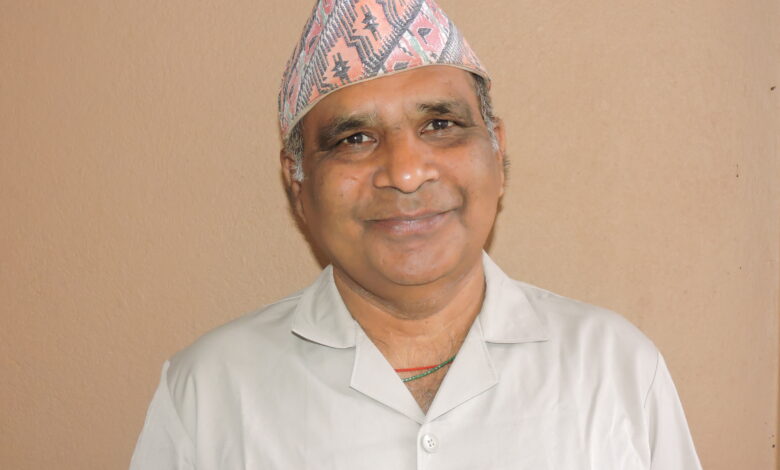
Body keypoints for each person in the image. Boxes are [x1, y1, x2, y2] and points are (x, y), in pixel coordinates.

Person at [130, 1, 702, 468]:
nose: (405, 173)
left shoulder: (616, 370)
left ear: (497, 153)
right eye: (354, 138)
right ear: (297, 181)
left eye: (441, 125)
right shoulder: (209, 395)